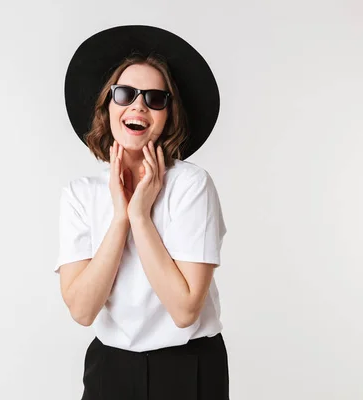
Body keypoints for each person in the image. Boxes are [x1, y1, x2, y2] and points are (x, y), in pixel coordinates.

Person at [55, 25, 229, 400]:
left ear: (169, 114)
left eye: (154, 98)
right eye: (126, 94)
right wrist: (120, 218)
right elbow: (83, 311)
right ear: (108, 105)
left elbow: (184, 311)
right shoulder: (80, 195)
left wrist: (140, 216)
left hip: (189, 367)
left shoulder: (191, 185)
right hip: (110, 370)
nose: (138, 106)